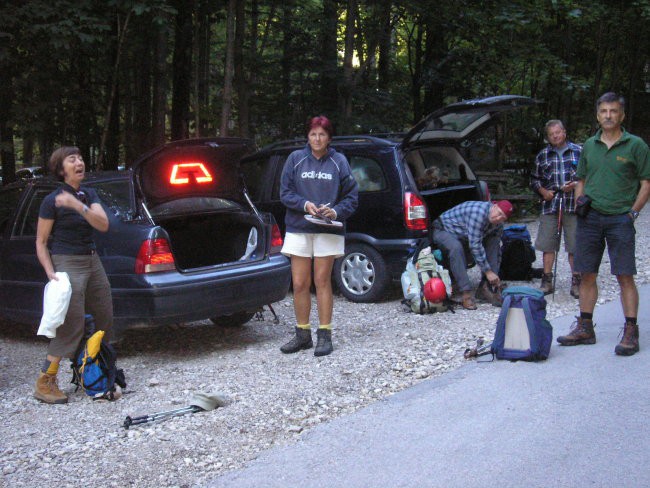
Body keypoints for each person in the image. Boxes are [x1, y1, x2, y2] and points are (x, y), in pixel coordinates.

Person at [557, 92, 650, 356]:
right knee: (586, 273)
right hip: (591, 217)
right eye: (603, 111)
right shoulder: (589, 144)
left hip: (620, 217)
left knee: (624, 275)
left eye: (613, 111)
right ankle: (585, 326)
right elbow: (581, 178)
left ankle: (631, 330)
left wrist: (633, 213)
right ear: (597, 115)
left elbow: (646, 183)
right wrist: (579, 202)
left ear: (622, 115)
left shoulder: (636, 145)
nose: (608, 116)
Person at [34, 146, 114, 403]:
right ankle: (45, 381)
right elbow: (41, 241)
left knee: (104, 317)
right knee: (71, 324)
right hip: (67, 262)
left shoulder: (88, 194)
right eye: (72, 159)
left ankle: (93, 372)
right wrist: (50, 273)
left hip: (93, 261)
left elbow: (103, 225)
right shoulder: (52, 200)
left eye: (80, 158)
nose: (79, 162)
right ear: (61, 169)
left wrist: (78, 206)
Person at [279, 116, 359, 357]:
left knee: (322, 281)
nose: (317, 139)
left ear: (329, 138)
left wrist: (336, 211)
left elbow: (352, 196)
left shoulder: (339, 161)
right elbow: (285, 193)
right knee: (300, 283)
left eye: (322, 134)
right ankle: (302, 334)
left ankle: (325, 334)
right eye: (313, 134)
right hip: (299, 226)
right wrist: (304, 204)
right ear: (308, 136)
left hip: (328, 228)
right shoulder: (295, 159)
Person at [530, 120, 582, 297]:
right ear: (548, 137)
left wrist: (575, 185)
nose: (555, 136)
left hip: (573, 203)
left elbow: (589, 176)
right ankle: (546, 280)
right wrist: (543, 191)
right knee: (547, 244)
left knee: (574, 244)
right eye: (552, 134)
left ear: (564, 132)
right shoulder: (542, 155)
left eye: (558, 132)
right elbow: (534, 180)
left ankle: (577, 280)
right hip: (550, 204)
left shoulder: (578, 151)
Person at [431, 200, 513, 310]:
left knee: (494, 242)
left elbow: (496, 249)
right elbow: (475, 245)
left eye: (502, 217)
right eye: (498, 213)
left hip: (463, 234)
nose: (498, 218)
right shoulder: (478, 214)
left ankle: (486, 287)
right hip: (443, 230)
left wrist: (493, 273)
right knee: (456, 248)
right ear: (494, 206)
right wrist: (488, 272)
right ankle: (466, 293)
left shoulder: (498, 224)